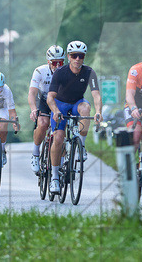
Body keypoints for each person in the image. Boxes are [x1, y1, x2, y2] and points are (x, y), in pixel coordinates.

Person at [46, 40, 102, 194]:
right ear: (69, 57)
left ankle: (81, 147)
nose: (77, 59)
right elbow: (50, 97)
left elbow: (96, 95)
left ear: (84, 57)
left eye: (81, 56)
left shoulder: (89, 72)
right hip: (61, 104)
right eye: (74, 55)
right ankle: (55, 178)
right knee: (58, 139)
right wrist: (55, 110)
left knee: (86, 108)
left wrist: (98, 111)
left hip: (77, 102)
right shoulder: (60, 72)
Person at [27, 45, 64, 174]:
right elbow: (32, 93)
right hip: (43, 99)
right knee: (43, 124)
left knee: (61, 131)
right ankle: (35, 153)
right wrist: (33, 109)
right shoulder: (39, 71)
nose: (57, 66)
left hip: (60, 101)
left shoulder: (67, 71)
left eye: (61, 62)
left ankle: (62, 159)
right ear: (48, 62)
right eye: (54, 63)